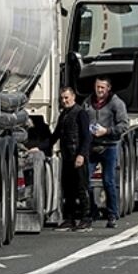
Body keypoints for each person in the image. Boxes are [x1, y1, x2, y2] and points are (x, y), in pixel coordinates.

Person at [85, 77, 128, 228]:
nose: (99, 90)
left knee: (108, 181)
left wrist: (107, 131)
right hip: (92, 146)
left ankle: (112, 214)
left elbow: (124, 125)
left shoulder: (116, 103)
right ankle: (92, 211)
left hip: (109, 146)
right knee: (84, 180)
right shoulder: (88, 102)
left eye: (102, 87)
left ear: (108, 88)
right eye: (97, 87)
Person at [50, 87, 93, 231]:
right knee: (68, 189)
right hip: (67, 156)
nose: (64, 101)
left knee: (81, 188)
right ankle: (69, 219)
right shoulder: (64, 114)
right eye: (62, 98)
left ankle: (86, 218)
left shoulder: (81, 113)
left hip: (78, 156)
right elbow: (56, 135)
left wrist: (81, 155)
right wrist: (41, 147)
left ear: (73, 97)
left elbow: (86, 137)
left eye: (66, 98)